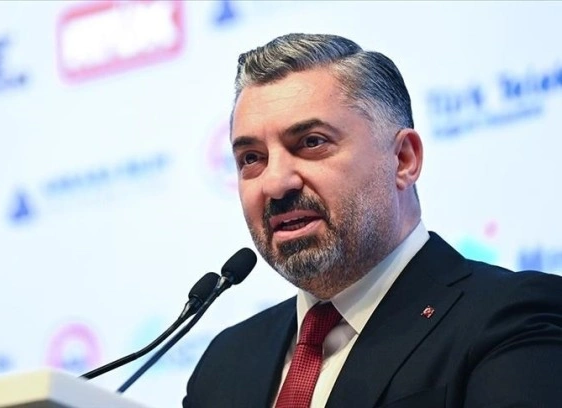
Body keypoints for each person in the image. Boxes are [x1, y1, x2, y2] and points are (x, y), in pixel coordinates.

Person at [183, 33, 562, 408]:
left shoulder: (511, 318)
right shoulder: (225, 364)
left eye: (312, 142)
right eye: (251, 158)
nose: (276, 183)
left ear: (403, 159)